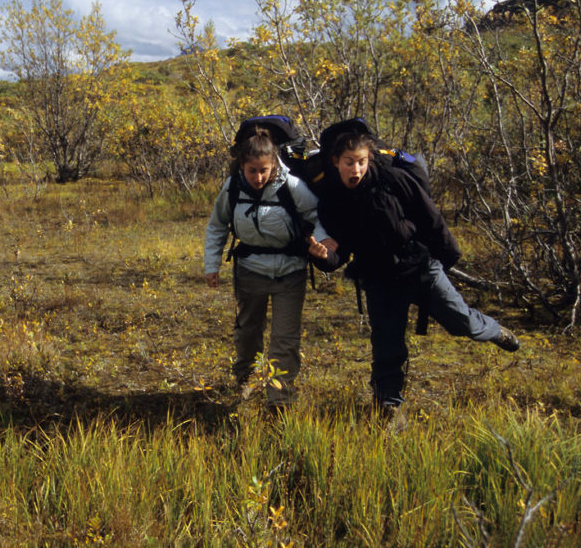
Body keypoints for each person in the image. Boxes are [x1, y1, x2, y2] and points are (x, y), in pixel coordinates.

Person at [307, 131, 520, 428]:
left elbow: (431, 219)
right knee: (386, 345)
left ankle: (494, 330)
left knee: (462, 322)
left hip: (419, 266)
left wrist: (444, 263)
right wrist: (322, 257)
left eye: (361, 162)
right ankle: (390, 410)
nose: (355, 169)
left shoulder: (394, 181)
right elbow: (338, 253)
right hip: (378, 277)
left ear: (370, 159)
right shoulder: (332, 202)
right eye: (348, 162)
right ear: (335, 162)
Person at [204, 126, 331, 409]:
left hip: (290, 271)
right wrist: (212, 265)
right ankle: (246, 382)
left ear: (274, 163)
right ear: (241, 166)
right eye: (252, 171)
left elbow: (317, 215)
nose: (259, 177)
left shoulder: (292, 186)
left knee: (284, 339)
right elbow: (217, 226)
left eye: (264, 170)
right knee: (248, 333)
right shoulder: (232, 186)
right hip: (250, 271)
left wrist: (321, 244)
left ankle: (279, 401)